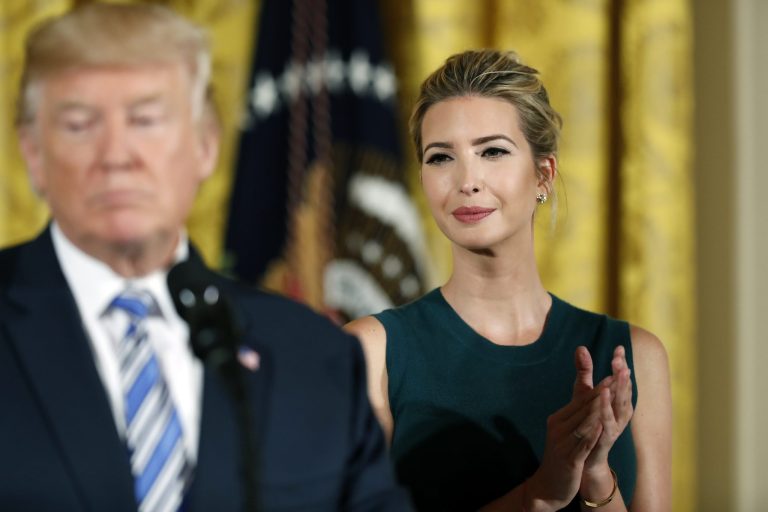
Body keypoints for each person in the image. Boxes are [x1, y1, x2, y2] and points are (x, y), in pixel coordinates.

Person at [0, 3, 410, 511]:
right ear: (33, 154)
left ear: (206, 145)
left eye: (146, 120)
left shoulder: (314, 357)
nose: (116, 155)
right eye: (80, 125)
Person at [345, 49, 672, 511]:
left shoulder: (636, 355)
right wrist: (541, 493)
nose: (467, 180)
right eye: (441, 157)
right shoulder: (371, 352)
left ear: (544, 173)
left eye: (493, 151)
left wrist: (596, 475)